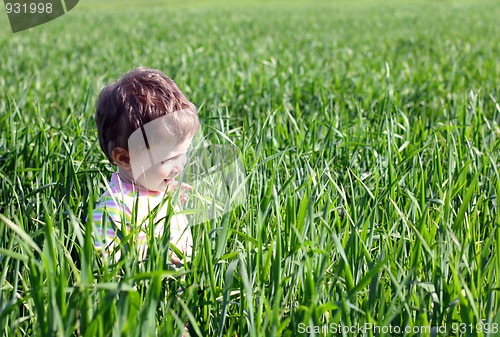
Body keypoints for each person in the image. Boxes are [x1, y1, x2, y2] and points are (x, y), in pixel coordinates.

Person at [90, 67, 199, 265]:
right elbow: (104, 259)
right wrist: (153, 256)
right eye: (168, 160)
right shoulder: (115, 207)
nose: (180, 167)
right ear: (125, 158)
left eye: (184, 155)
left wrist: (169, 193)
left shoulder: (151, 185)